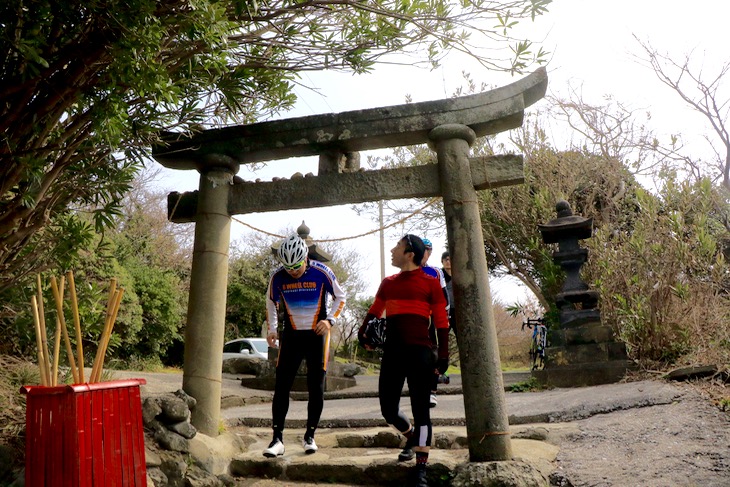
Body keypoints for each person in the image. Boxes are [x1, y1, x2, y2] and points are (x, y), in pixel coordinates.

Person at [359, 234, 449, 487]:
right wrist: (362, 334)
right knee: (388, 409)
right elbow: (374, 312)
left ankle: (421, 467)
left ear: (410, 254)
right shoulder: (388, 283)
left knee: (422, 411)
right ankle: (410, 436)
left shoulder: (430, 283)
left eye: (397, 247)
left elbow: (441, 321)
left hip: (421, 353)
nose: (392, 250)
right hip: (392, 353)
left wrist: (444, 354)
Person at [262, 234, 346, 458]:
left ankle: (310, 435)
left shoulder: (321, 272)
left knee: (316, 386)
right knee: (281, 385)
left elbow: (341, 297)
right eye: (288, 267)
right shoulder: (277, 277)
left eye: (297, 266)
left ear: (305, 257)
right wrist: (272, 329)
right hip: (291, 335)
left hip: (317, 334)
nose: (292, 271)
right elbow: (271, 301)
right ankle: (277, 439)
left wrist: (330, 321)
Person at [420, 238, 449, 408]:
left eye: (428, 250)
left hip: (430, 319)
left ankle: (432, 391)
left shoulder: (435, 272)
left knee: (433, 355)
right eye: (423, 249)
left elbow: (444, 299)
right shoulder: (405, 272)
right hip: (412, 321)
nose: (425, 253)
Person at [440, 251, 456, 336]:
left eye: (450, 260)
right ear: (442, 261)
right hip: (444, 310)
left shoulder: (458, 275)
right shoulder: (440, 276)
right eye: (446, 260)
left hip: (457, 310)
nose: (448, 262)